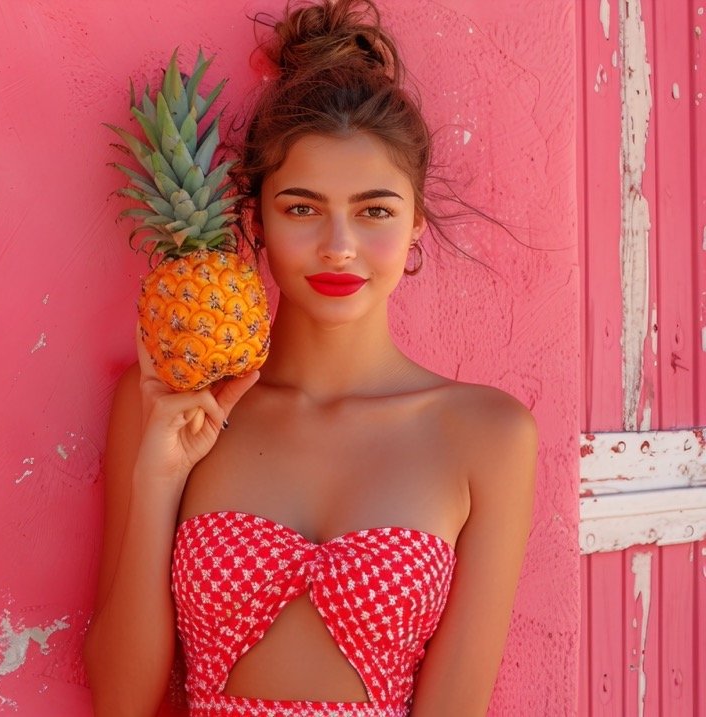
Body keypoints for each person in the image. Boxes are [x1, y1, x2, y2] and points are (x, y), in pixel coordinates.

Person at [83, 1, 538, 715]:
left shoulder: (487, 433)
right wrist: (158, 480)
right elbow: (119, 700)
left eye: (374, 210)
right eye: (301, 208)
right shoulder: (169, 408)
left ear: (416, 221)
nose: (339, 245)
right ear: (255, 219)